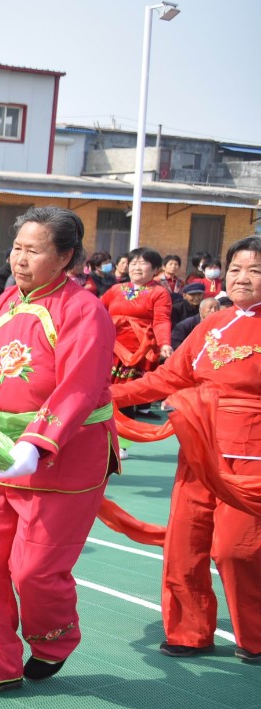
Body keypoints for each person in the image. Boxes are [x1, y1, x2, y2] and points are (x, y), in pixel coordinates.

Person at [0, 207, 117, 698]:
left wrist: (38, 441)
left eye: (33, 250)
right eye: (17, 248)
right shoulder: (3, 304)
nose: (19, 259)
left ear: (65, 257)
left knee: (34, 570)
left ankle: (53, 639)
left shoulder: (84, 310)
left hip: (63, 457)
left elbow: (80, 387)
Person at [112, 236, 260, 663]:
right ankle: (189, 631)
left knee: (236, 550)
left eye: (253, 270)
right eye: (235, 268)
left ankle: (256, 634)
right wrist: (106, 395)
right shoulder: (212, 325)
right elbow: (167, 379)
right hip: (198, 450)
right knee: (185, 543)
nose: (242, 277)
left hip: (251, 459)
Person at [101, 247, 174, 384]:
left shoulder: (159, 292)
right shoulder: (115, 289)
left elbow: (161, 320)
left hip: (141, 350)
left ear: (155, 269)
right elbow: (98, 311)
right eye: (133, 263)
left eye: (143, 263)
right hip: (113, 347)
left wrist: (164, 343)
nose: (137, 267)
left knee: (135, 392)